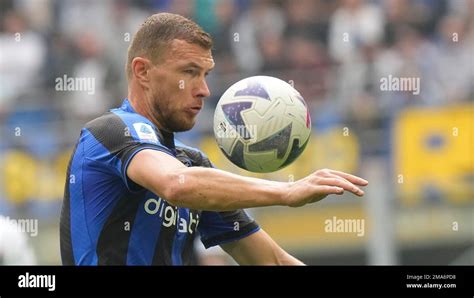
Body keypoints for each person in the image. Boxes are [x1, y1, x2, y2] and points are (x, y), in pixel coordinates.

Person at [60, 13, 368, 266]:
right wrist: (287, 191)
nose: (204, 90)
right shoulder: (109, 133)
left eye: (205, 75)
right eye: (190, 72)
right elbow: (177, 185)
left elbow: (273, 261)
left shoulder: (193, 165)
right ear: (142, 72)